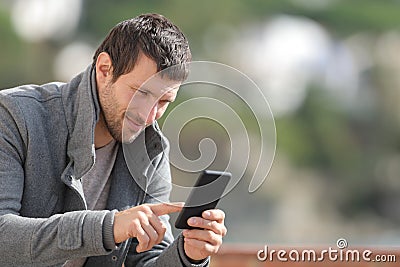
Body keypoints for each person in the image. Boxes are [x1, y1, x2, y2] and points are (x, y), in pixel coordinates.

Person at [0, 13, 226, 267]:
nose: (148, 115)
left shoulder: (152, 153)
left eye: (163, 102)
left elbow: (146, 259)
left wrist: (188, 254)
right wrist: (109, 227)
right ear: (105, 69)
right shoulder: (13, 115)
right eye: (141, 92)